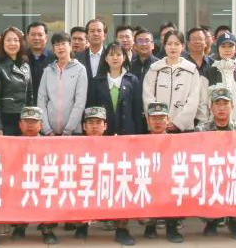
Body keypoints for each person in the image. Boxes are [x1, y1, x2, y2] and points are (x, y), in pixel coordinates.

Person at [76, 106, 135, 246]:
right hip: (86, 187)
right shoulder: (76, 146)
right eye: (90, 122)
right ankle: (81, 225)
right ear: (84, 126)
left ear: (105, 126)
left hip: (107, 186)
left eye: (98, 122)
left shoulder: (114, 144)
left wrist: (119, 146)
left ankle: (122, 229)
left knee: (123, 187)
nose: (94, 126)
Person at [198, 87, 236, 240]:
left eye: (225, 104)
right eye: (217, 104)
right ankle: (211, 221)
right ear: (211, 107)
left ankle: (235, 221)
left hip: (235, 172)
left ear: (232, 106)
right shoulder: (201, 130)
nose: (221, 108)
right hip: (212, 172)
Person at [143, 30, 205, 132]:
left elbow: (193, 101)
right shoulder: (154, 69)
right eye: (169, 44)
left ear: (182, 46)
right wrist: (159, 121)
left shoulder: (191, 70)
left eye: (176, 44)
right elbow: (147, 98)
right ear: (164, 46)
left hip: (184, 130)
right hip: (158, 129)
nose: (173, 47)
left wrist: (178, 123)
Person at [142, 101, 182, 243]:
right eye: (154, 118)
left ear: (168, 120)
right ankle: (150, 226)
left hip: (170, 185)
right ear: (148, 120)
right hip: (150, 185)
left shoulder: (178, 141)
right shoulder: (140, 143)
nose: (157, 122)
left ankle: (172, 227)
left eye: (161, 118)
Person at [202, 33, 236, 128]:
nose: (227, 49)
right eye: (223, 46)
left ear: (235, 48)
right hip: (215, 128)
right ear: (218, 48)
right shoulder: (209, 73)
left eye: (230, 46)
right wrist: (206, 126)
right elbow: (203, 103)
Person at [38, 32, 88, 136]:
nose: (60, 47)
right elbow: (41, 101)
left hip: (73, 133)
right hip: (49, 133)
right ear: (53, 49)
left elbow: (80, 103)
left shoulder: (80, 69)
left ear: (70, 46)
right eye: (56, 45)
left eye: (63, 44)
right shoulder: (48, 71)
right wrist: (47, 130)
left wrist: (68, 131)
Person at [89, 42, 144, 135]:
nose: (115, 58)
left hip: (127, 132)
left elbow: (137, 110)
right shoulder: (97, 81)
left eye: (118, 55)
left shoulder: (132, 80)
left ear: (124, 58)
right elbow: (92, 109)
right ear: (106, 58)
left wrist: (138, 134)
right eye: (111, 55)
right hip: (104, 133)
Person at [0, 27, 33, 136]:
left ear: (21, 43)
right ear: (2, 43)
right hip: (6, 120)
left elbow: (30, 96)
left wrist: (31, 119)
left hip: (24, 120)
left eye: (16, 40)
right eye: (8, 40)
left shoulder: (25, 65)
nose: (12, 43)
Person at [13, 106, 45, 241]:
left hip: (42, 183)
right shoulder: (11, 144)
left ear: (41, 125)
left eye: (34, 121)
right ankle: (19, 226)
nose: (30, 125)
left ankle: (47, 229)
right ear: (20, 124)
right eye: (27, 121)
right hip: (20, 184)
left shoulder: (51, 144)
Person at [26, 21, 55, 97]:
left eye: (40, 35)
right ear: (27, 37)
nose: (36, 38)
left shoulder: (55, 58)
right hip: (25, 102)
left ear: (46, 37)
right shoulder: (21, 58)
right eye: (33, 34)